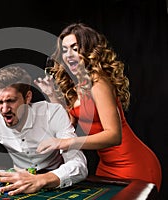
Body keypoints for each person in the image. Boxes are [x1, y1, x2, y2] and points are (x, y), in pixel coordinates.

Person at [34, 23, 162, 190]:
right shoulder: (76, 85)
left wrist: (66, 143)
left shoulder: (98, 83)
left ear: (88, 51)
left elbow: (114, 136)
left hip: (134, 164)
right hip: (107, 166)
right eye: (65, 50)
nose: (68, 55)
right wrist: (51, 94)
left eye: (75, 48)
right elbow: (68, 123)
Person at [0, 66, 88, 196]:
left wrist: (42, 179)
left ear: (27, 97)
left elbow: (79, 164)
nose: (4, 109)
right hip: (17, 187)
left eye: (11, 101)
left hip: (54, 185)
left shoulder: (53, 113)